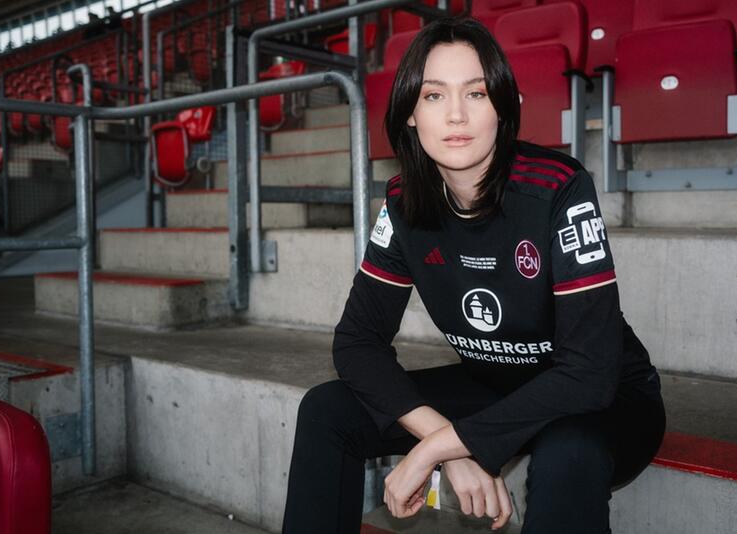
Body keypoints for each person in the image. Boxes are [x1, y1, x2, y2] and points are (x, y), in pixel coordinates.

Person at [282, 15, 665, 534]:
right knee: (328, 410)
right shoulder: (401, 202)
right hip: (494, 387)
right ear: (411, 113)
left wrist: (440, 447)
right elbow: (356, 343)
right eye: (434, 96)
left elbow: (589, 373)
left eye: (477, 94)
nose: (456, 115)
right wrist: (456, 440)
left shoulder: (558, 187)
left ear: (505, 107)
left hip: (605, 398)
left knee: (567, 452)